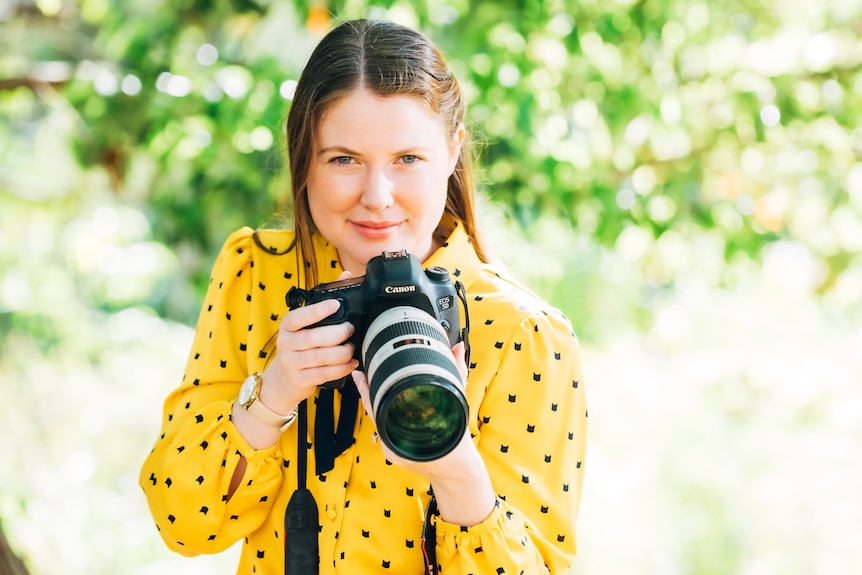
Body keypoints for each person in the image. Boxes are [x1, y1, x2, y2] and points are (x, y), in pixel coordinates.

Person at [139, 18, 587, 574]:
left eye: (408, 159)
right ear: (304, 158)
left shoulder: (523, 335)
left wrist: (455, 471)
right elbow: (182, 523)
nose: (377, 197)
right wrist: (273, 395)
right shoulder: (256, 275)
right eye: (343, 159)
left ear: (452, 154)